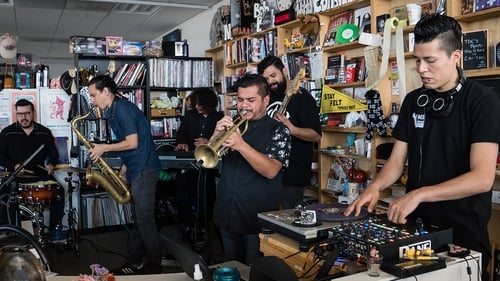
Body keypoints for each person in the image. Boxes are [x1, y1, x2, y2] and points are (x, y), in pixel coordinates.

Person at [344, 14, 500, 280]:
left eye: (430, 60)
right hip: (414, 226)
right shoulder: (414, 101)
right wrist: (375, 186)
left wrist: (419, 194)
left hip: (462, 233)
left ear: (456, 57)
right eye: (417, 60)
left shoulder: (483, 102)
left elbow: (482, 178)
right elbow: (395, 163)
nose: (421, 69)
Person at [87, 75, 163, 275]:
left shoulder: (122, 109)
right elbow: (131, 143)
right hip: (136, 166)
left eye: (94, 95)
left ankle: (154, 266)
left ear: (106, 91)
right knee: (139, 219)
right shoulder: (113, 111)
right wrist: (125, 166)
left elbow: (132, 142)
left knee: (144, 219)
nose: (92, 100)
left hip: (144, 169)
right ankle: (136, 261)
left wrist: (103, 147)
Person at [212, 74, 291, 265]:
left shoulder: (279, 130)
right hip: (226, 215)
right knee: (231, 270)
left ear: (266, 100)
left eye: (250, 100)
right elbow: (209, 162)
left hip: (256, 220)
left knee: (255, 273)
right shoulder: (231, 126)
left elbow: (272, 170)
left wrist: (241, 145)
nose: (243, 105)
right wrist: (214, 136)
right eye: (240, 99)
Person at [257, 56, 322, 209]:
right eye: (266, 78)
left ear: (284, 71)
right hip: (267, 171)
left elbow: (316, 135)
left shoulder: (303, 98)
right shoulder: (267, 98)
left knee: (286, 222)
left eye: (273, 76)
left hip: (293, 176)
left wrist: (292, 129)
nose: (270, 81)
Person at [0, 99, 64, 239]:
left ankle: (54, 229)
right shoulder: (7, 133)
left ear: (33, 113)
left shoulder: (44, 132)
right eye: (20, 114)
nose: (23, 117)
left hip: (39, 174)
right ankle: (9, 232)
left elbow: (53, 153)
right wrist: (14, 166)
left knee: (60, 191)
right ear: (16, 114)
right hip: (15, 175)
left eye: (27, 113)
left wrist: (51, 164)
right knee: (4, 196)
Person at [174, 88, 223, 243]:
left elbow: (223, 142)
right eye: (195, 104)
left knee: (206, 193)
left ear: (209, 104)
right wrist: (182, 143)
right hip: (189, 161)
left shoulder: (219, 118)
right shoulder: (190, 116)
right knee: (182, 188)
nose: (196, 107)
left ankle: (202, 227)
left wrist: (208, 141)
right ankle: (188, 225)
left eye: (200, 105)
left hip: (208, 165)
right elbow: (181, 134)